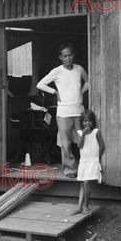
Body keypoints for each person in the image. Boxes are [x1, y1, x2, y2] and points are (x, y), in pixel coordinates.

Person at [37, 43, 89, 178]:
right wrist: (55, 92)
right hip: (64, 114)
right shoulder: (57, 71)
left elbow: (88, 81)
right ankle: (70, 170)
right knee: (65, 144)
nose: (68, 58)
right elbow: (40, 84)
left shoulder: (79, 69)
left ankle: (85, 168)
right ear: (60, 57)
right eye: (65, 56)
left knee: (83, 140)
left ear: (74, 55)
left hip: (79, 112)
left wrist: (80, 92)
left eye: (70, 55)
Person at [72, 109, 105, 215]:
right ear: (82, 122)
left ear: (93, 122)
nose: (87, 123)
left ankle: (86, 206)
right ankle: (79, 207)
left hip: (92, 161)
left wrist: (97, 158)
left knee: (87, 182)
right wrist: (84, 134)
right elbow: (79, 145)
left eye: (89, 121)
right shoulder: (79, 133)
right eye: (85, 121)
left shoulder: (96, 132)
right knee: (82, 184)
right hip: (84, 161)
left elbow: (102, 146)